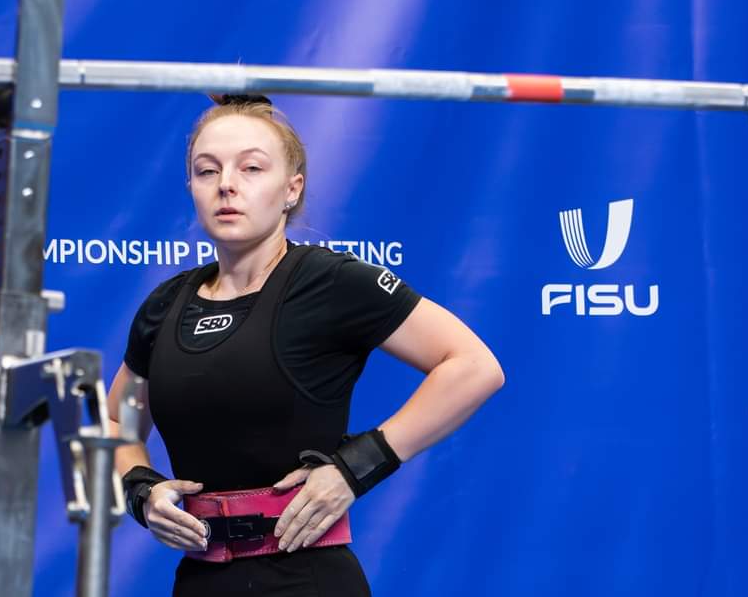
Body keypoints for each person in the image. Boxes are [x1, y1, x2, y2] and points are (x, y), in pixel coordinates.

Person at [105, 94, 504, 596]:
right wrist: (140, 490)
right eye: (207, 171)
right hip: (200, 581)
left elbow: (473, 366)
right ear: (192, 188)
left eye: (251, 168)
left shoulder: (330, 281)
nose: (226, 184)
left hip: (307, 580)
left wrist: (354, 469)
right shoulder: (166, 303)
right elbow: (115, 421)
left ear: (291, 189)